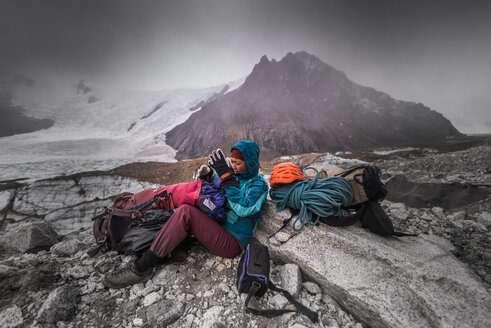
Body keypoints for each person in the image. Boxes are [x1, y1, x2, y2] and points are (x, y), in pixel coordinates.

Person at [103, 140, 269, 288]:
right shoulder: (235, 176)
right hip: (218, 227)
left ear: (250, 162)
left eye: (238, 163)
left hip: (232, 241)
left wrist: (226, 176)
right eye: (231, 162)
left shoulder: (258, 185)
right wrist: (209, 175)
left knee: (186, 213)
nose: (233, 166)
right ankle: (172, 248)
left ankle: (141, 267)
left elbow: (244, 208)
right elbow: (219, 186)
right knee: (190, 201)